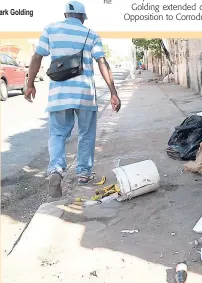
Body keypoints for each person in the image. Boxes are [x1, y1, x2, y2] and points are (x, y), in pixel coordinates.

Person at [25, 1, 121, 198]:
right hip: (85, 94)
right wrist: (113, 92)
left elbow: (37, 57)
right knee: (86, 133)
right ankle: (84, 174)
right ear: (83, 17)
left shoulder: (50, 29)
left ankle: (56, 170)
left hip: (59, 95)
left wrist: (30, 84)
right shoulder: (91, 34)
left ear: (66, 15)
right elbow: (102, 61)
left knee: (58, 134)